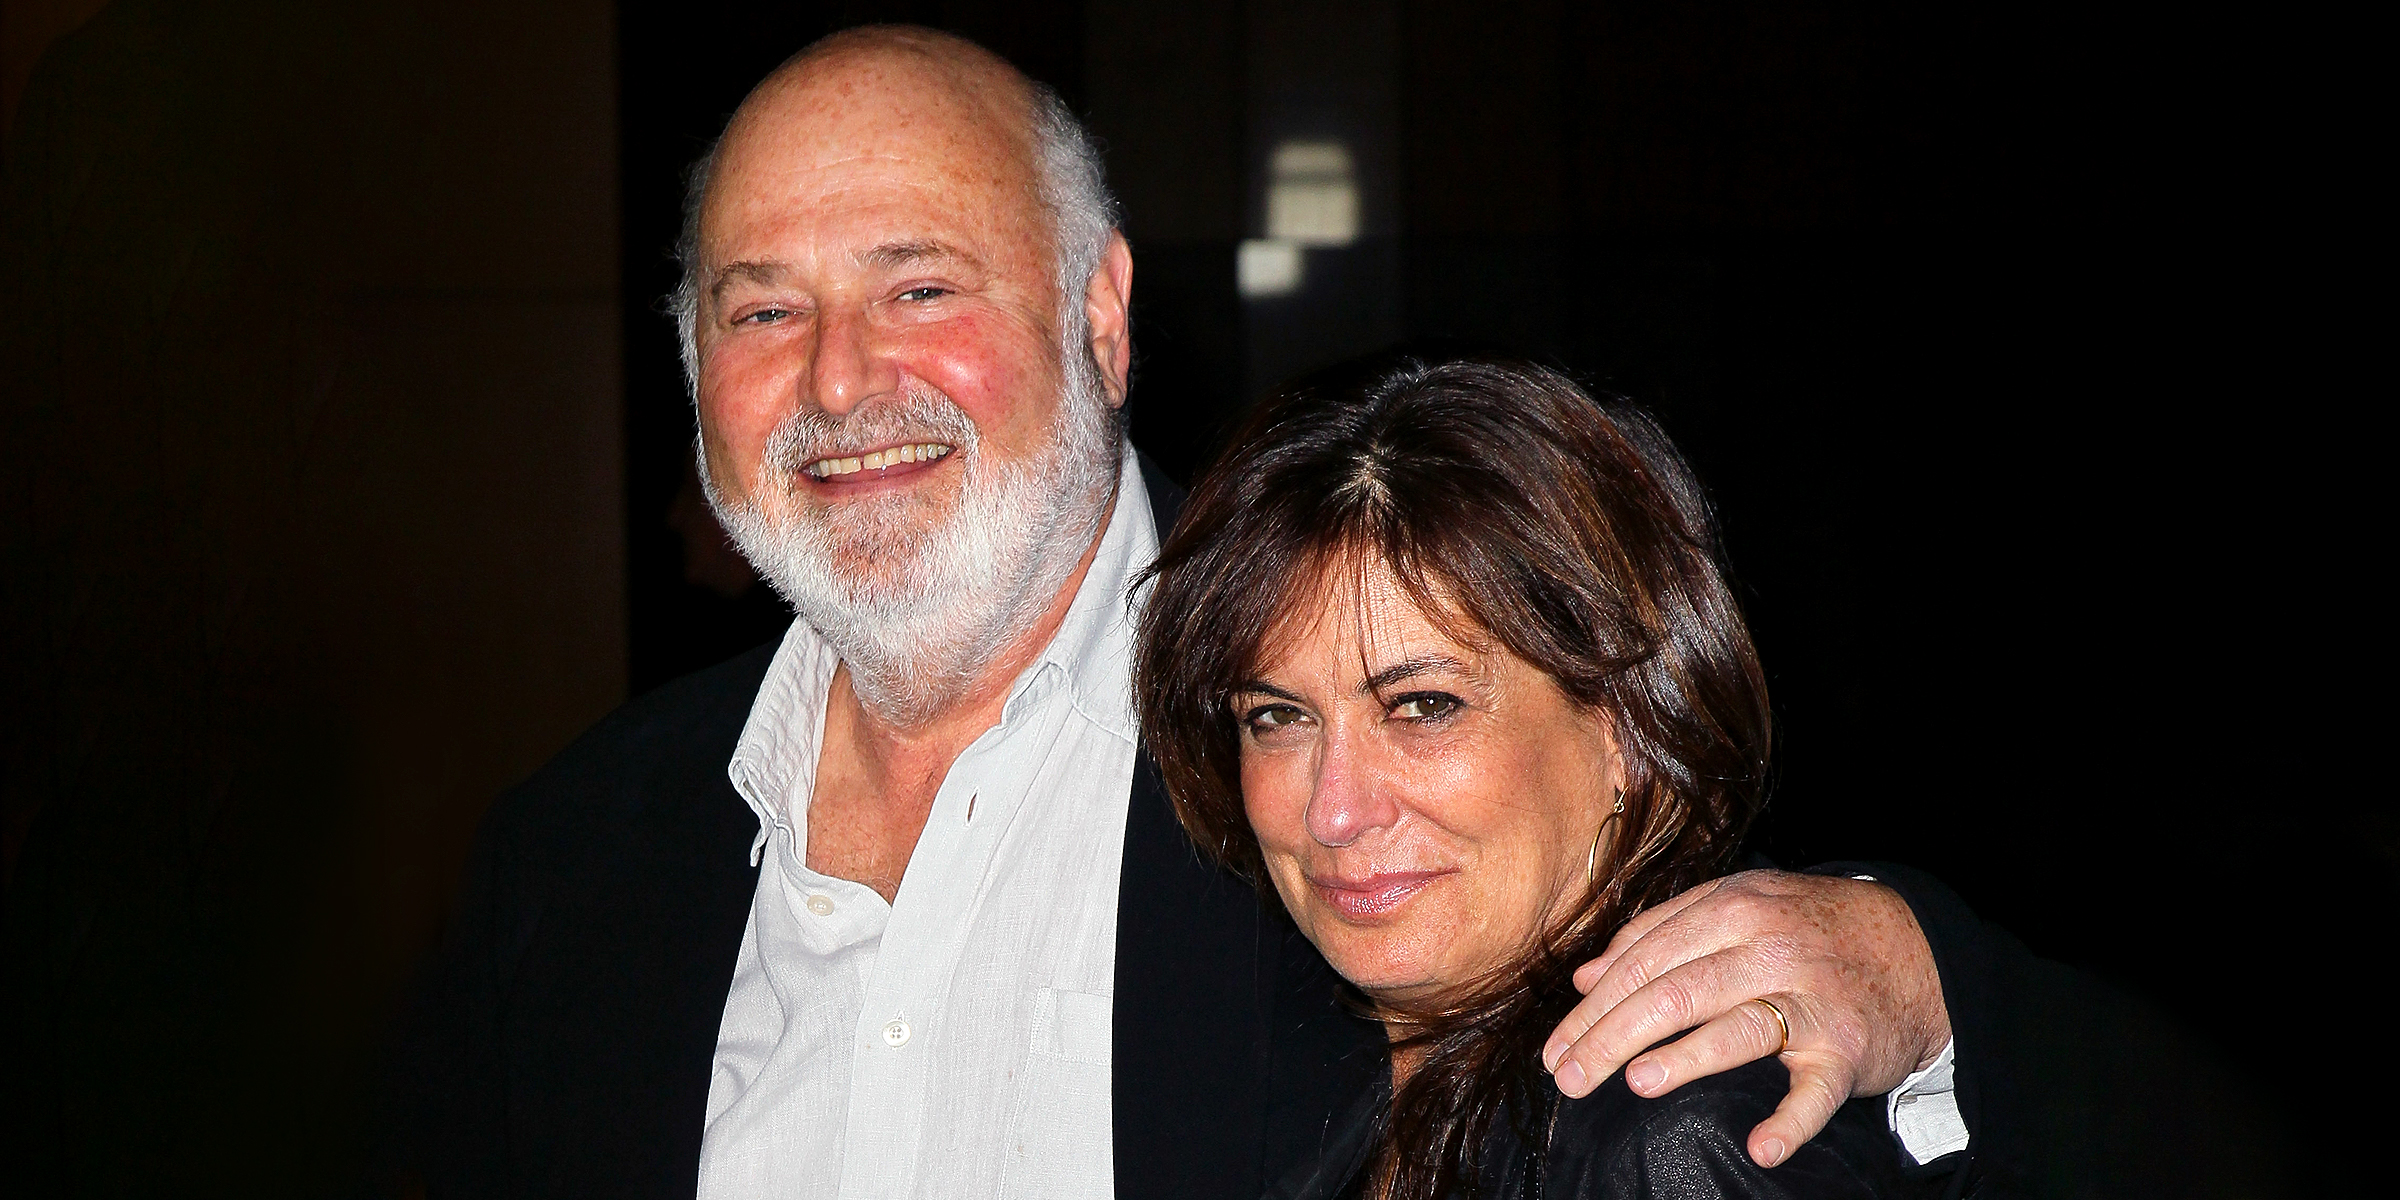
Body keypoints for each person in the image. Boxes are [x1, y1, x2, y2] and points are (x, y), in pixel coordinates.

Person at [391, 25, 2084, 1200]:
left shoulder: (1371, 799)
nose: (843, 381)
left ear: (1101, 314)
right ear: (696, 375)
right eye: (765, 310)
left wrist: (1928, 987)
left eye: (919, 286)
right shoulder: (563, 863)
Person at [1137, 353, 1922, 1199]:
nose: (1334, 811)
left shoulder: (1674, 1139)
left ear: (1629, 725)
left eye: (1424, 705)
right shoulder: (1311, 1087)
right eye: (1278, 716)